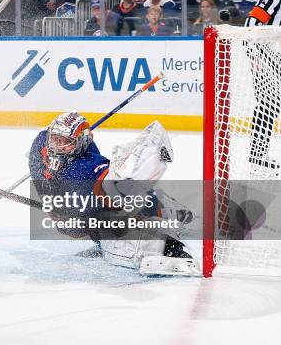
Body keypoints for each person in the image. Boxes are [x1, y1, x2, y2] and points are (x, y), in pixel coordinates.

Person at [28, 113, 198, 276]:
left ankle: (167, 229)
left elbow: (113, 187)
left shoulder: (87, 166)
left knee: (117, 211)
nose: (58, 146)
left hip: (119, 213)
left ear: (81, 142)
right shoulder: (41, 143)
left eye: (66, 142)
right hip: (92, 215)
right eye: (56, 139)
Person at [244, 0, 281, 170]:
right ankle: (258, 153)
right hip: (266, 54)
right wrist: (254, 56)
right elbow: (251, 22)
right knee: (269, 104)